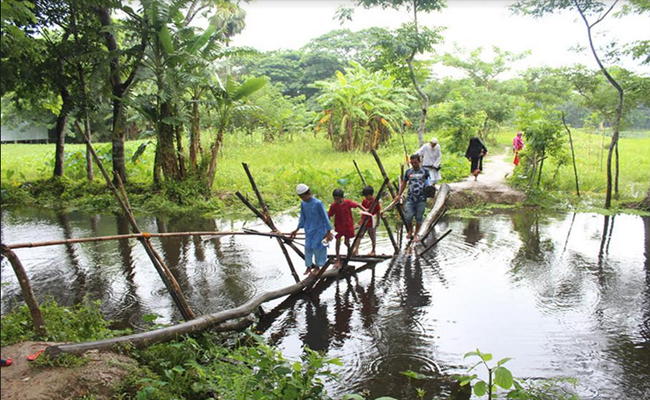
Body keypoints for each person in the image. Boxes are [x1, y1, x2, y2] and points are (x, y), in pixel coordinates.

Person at [290, 184, 333, 276]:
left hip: (320, 229)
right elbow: (303, 217)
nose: (303, 198)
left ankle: (317, 266)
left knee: (318, 247)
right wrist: (296, 229)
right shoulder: (303, 204)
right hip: (309, 229)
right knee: (308, 247)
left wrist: (328, 232)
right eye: (301, 197)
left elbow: (325, 218)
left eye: (304, 196)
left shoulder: (318, 203)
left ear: (309, 193)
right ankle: (308, 266)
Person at [327, 188, 364, 268]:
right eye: (335, 199)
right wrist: (327, 227)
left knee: (346, 242)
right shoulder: (334, 206)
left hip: (348, 226)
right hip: (339, 227)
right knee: (338, 242)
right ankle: (338, 259)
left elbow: (357, 205)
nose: (336, 200)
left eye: (338, 199)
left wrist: (365, 210)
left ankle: (349, 252)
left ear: (342, 198)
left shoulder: (348, 203)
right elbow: (329, 215)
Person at [396, 154, 428, 242]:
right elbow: (404, 183)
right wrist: (399, 195)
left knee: (419, 217)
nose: (414, 164)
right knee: (408, 216)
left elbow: (429, 183)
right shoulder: (408, 172)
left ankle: (416, 234)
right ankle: (410, 231)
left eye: (415, 163)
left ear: (419, 161)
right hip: (410, 198)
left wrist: (429, 190)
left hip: (421, 198)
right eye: (412, 163)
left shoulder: (425, 171)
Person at [359, 185, 380, 256]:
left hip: (371, 221)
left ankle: (373, 250)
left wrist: (378, 221)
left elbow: (378, 212)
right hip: (364, 220)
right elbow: (363, 210)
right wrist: (361, 219)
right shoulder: (364, 201)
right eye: (365, 196)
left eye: (367, 196)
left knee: (372, 236)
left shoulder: (375, 202)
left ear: (371, 195)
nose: (366, 198)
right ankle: (356, 249)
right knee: (360, 234)